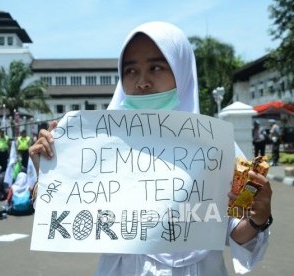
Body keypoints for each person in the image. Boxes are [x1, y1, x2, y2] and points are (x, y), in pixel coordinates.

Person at [29, 21, 272, 275]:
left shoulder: (215, 147)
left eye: (156, 67)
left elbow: (236, 232)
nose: (142, 82)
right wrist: (49, 172)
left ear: (181, 72)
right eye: (131, 71)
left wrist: (259, 217)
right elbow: (70, 216)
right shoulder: (100, 144)